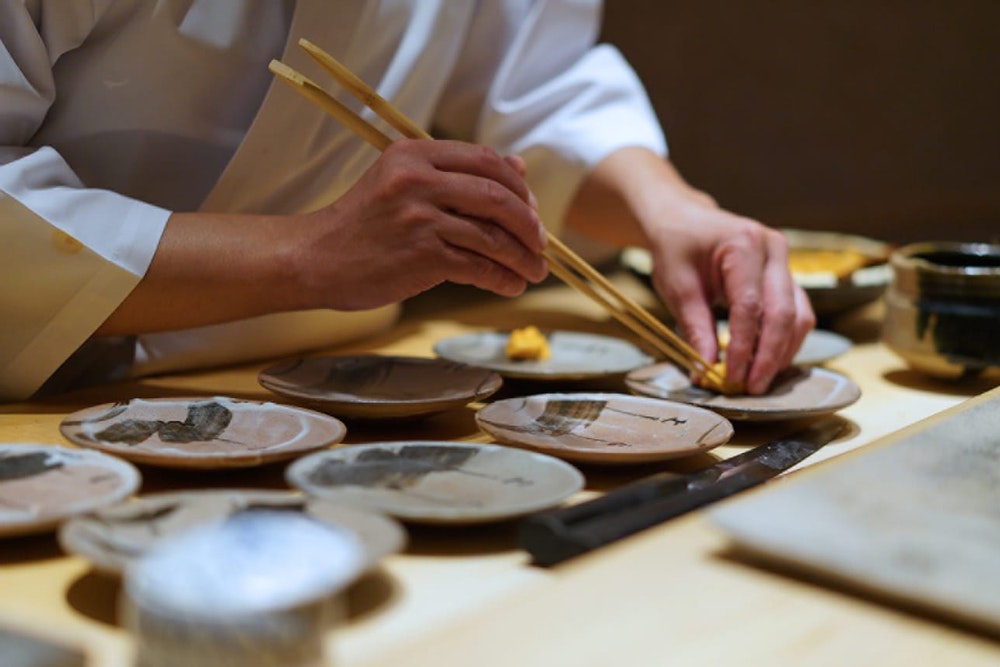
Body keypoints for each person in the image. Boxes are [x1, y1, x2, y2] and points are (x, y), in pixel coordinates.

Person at [0, 0, 814, 403]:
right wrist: (310, 254)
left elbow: (537, 86)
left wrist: (672, 211)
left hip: (347, 396)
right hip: (59, 398)